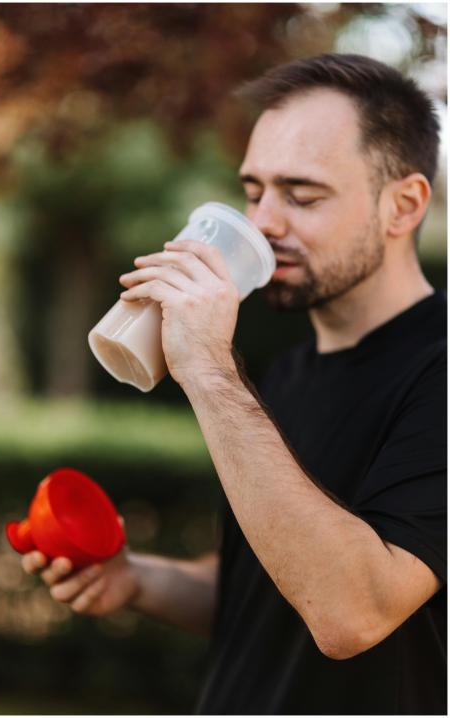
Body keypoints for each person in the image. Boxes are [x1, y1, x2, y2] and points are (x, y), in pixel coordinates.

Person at [22, 54, 446, 714]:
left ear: (404, 205)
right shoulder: (284, 375)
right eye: (253, 192)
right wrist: (136, 580)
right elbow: (273, 577)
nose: (265, 223)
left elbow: (352, 612)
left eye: (302, 196)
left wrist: (210, 371)